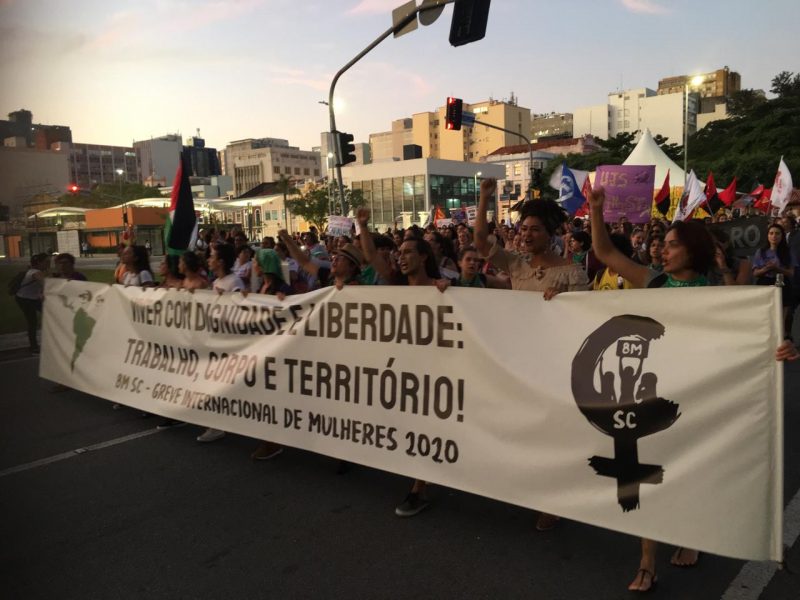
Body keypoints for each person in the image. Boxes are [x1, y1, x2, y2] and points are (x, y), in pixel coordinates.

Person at [588, 186, 798, 592]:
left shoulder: (719, 295)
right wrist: (597, 210)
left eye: (671, 245)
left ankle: (688, 535)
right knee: (646, 476)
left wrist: (783, 347)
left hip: (701, 397)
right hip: (655, 392)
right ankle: (647, 560)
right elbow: (608, 254)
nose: (661, 251)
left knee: (687, 472)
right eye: (661, 244)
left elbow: (752, 338)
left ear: (694, 249)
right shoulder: (654, 281)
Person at [474, 178, 588, 530]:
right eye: (523, 228)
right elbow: (481, 244)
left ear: (551, 233)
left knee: (551, 435)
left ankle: (554, 498)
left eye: (534, 230)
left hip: (555, 366)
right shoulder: (517, 265)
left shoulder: (572, 272)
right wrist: (483, 199)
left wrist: (564, 305)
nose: (525, 234)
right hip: (519, 363)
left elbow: (585, 320)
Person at [196, 243, 245, 444]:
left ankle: (219, 424)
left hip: (229, 342)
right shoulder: (217, 281)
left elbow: (241, 311)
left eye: (212, 256)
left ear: (221, 261)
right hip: (216, 340)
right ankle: (217, 423)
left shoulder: (235, 282)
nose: (209, 259)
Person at [15, 253, 50, 354]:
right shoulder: (36, 272)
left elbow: (40, 287)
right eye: (46, 262)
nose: (49, 263)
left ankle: (41, 343)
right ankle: (33, 347)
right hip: (25, 299)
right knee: (32, 321)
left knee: (51, 315)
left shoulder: (37, 271)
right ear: (39, 262)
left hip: (32, 298)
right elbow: (46, 284)